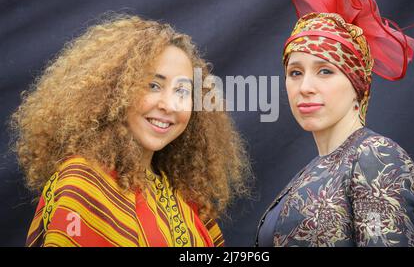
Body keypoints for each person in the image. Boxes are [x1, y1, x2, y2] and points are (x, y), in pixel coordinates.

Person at [9, 14, 251, 247]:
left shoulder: (185, 197)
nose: (168, 105)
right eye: (153, 85)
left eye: (182, 91)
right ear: (114, 91)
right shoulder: (82, 184)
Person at [255, 0, 414, 247]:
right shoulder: (315, 168)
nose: (305, 87)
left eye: (325, 71)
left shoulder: (375, 155)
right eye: (295, 72)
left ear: (358, 85)